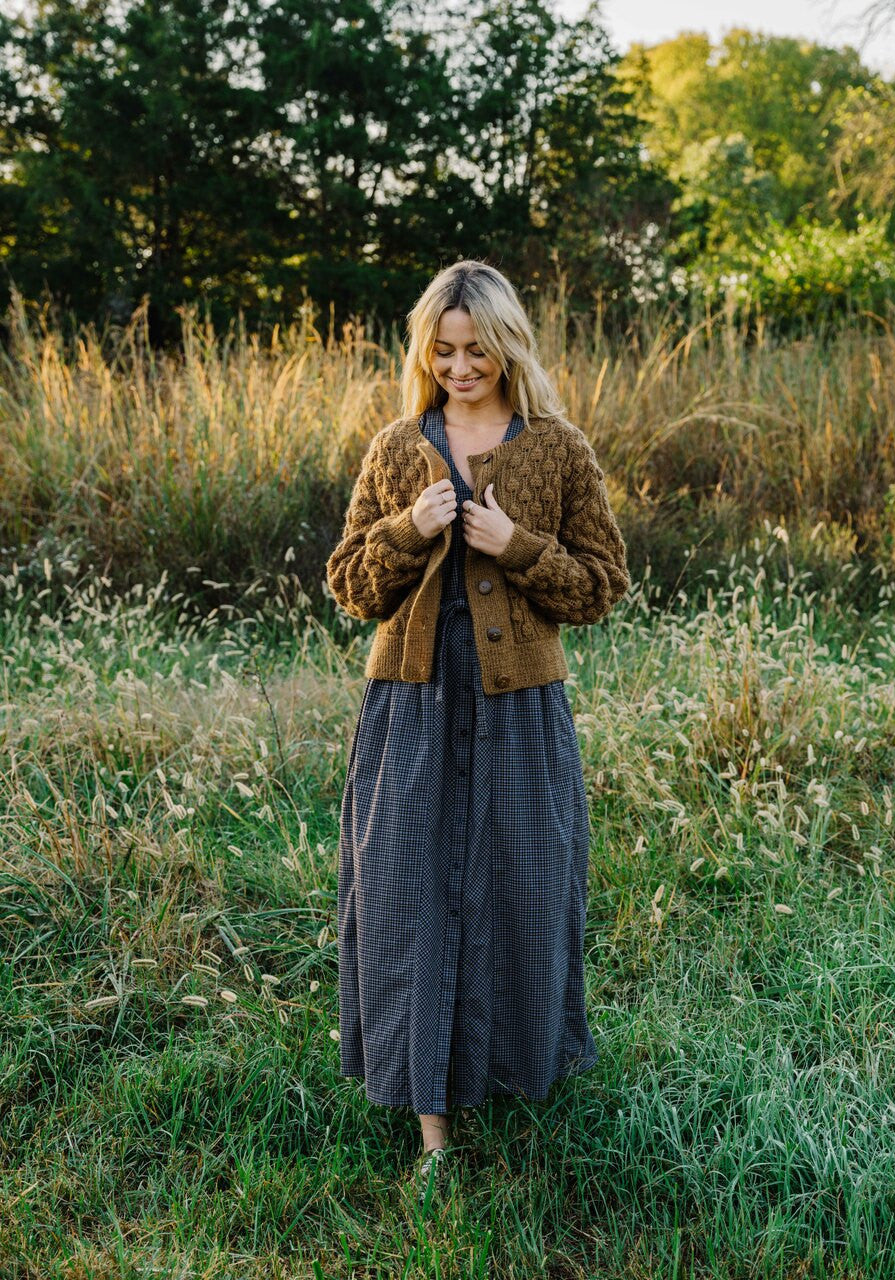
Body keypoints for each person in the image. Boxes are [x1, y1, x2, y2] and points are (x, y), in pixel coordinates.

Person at [324, 258, 630, 1205]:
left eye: (479, 350)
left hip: (519, 707)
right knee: (407, 889)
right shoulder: (393, 449)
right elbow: (349, 586)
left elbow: (603, 586)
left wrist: (518, 547)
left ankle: (512, 1079)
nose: (461, 367)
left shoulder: (561, 448)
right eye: (443, 351)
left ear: (510, 348)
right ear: (426, 352)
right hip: (411, 704)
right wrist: (409, 530)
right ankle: (430, 1129)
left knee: (524, 886)